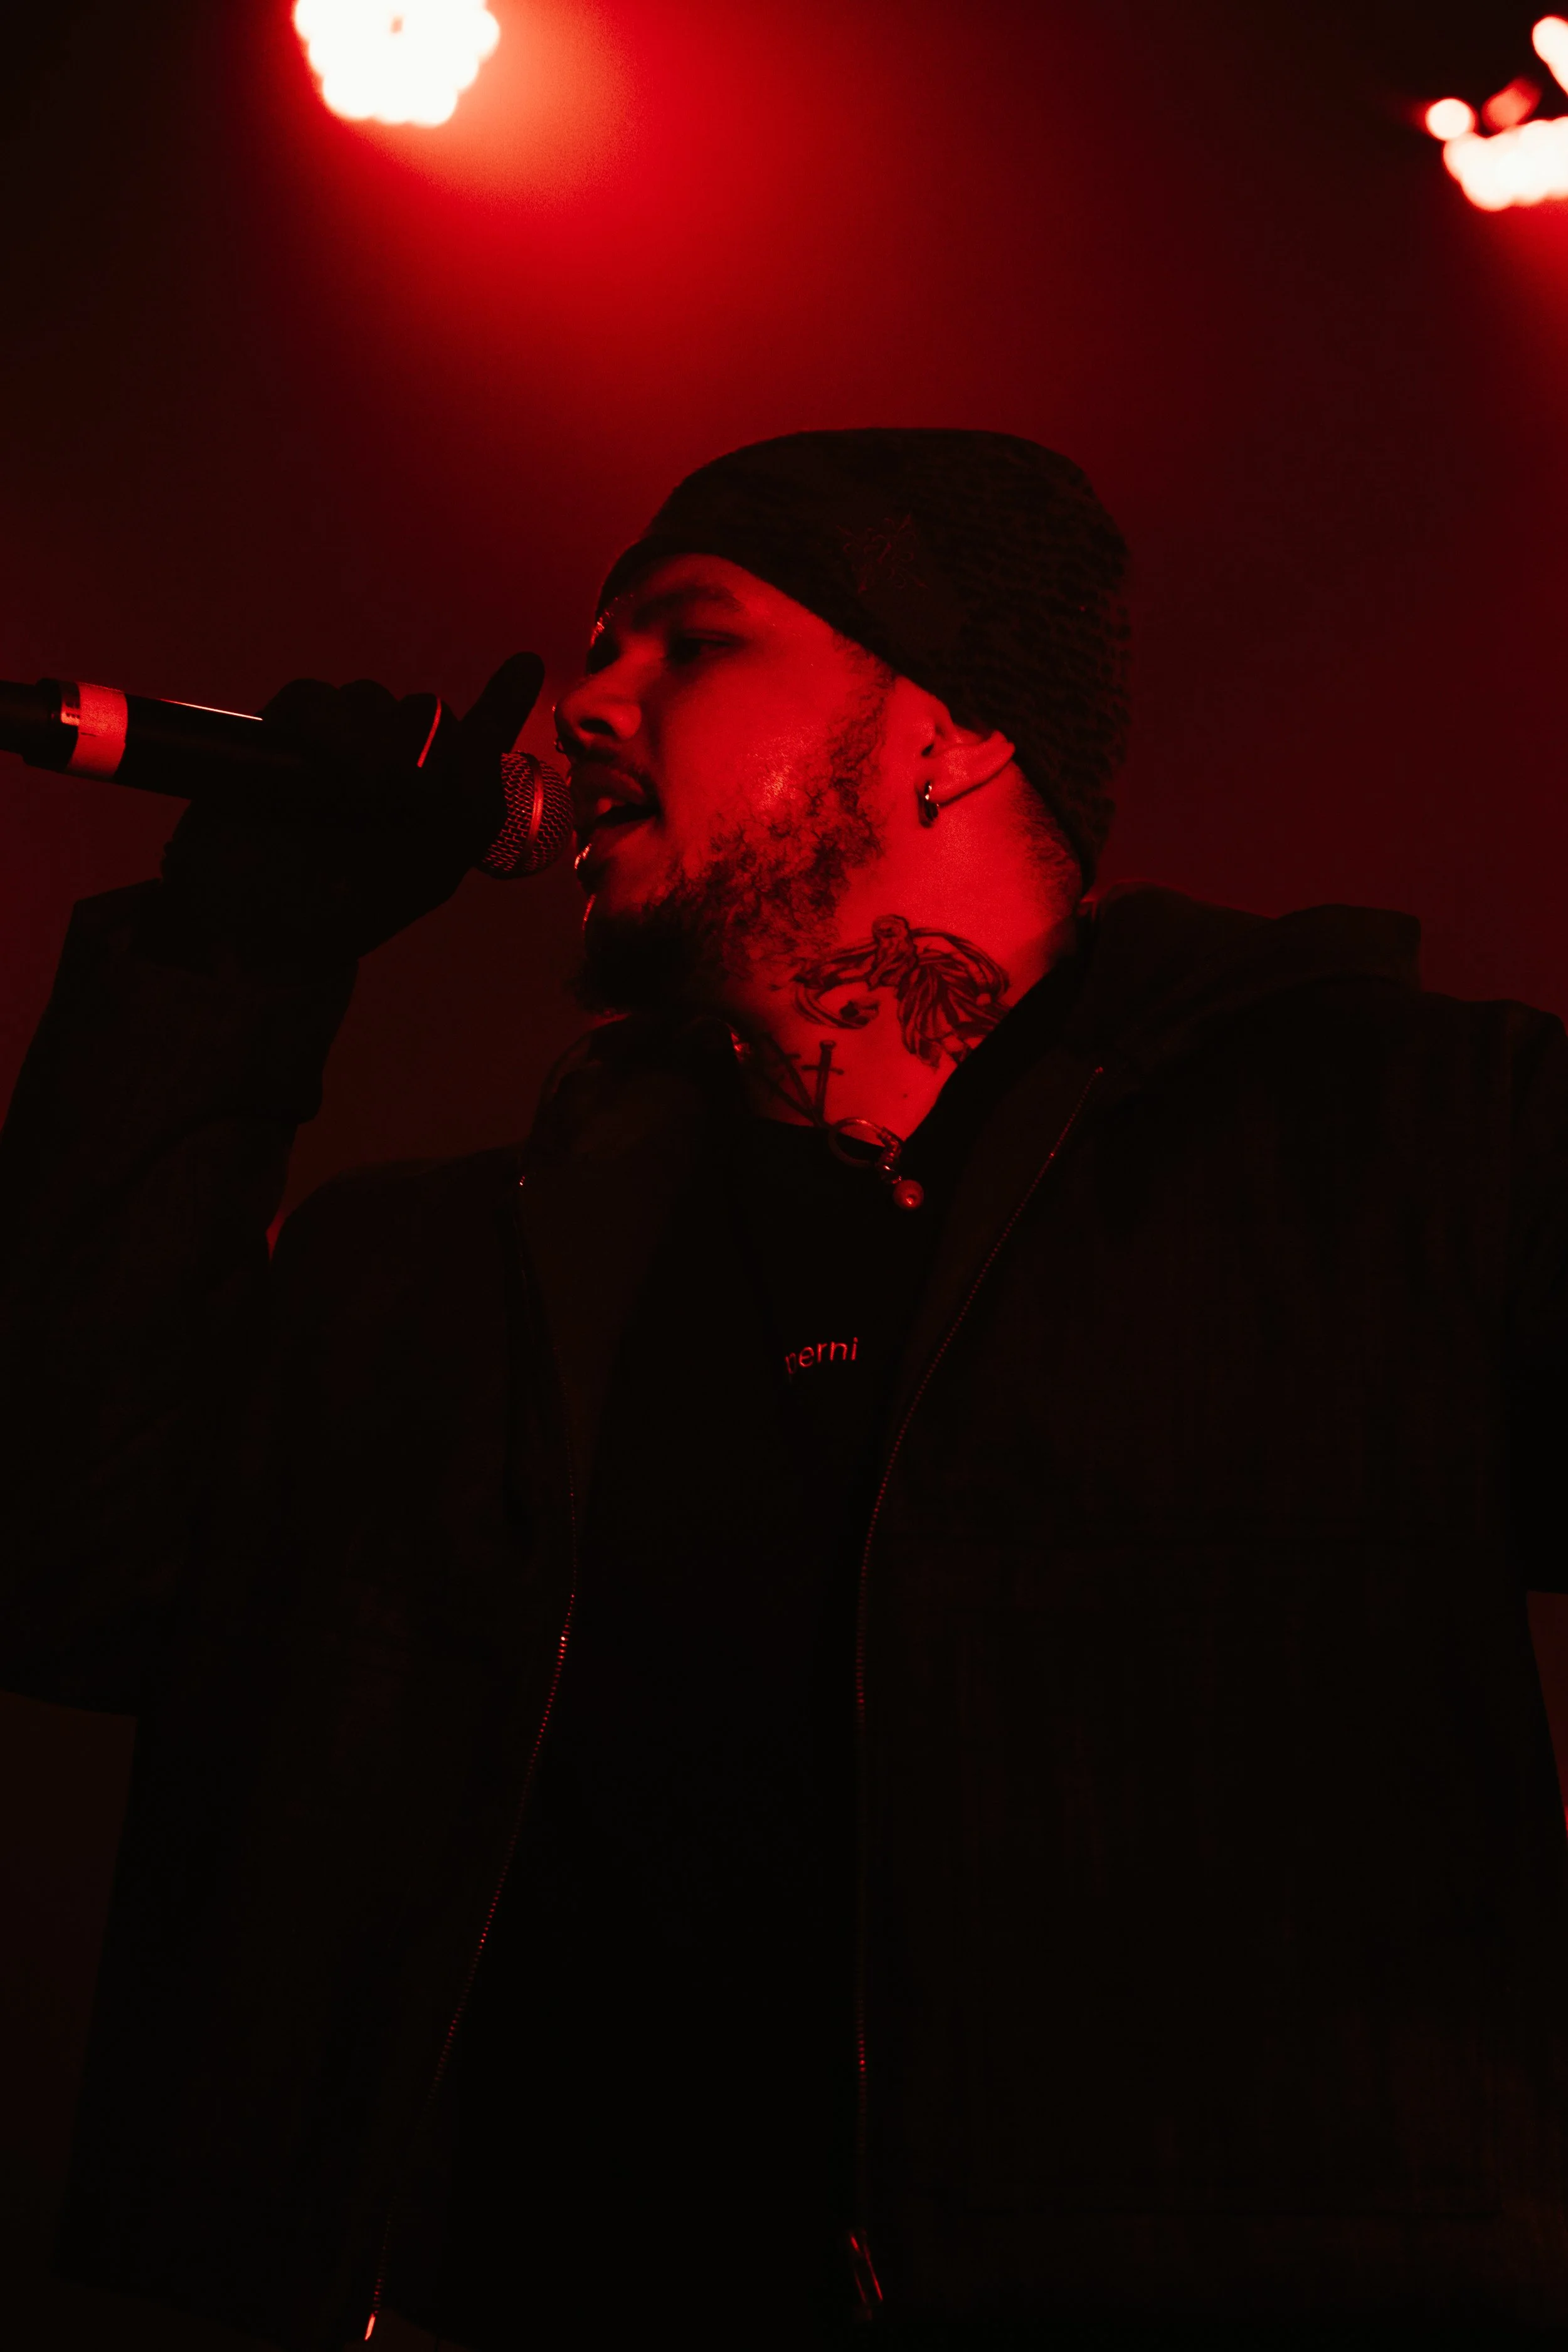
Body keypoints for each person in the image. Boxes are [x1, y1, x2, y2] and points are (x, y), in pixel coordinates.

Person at [3, 426, 1568, 2352]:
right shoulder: (440, 1273)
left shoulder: (1406, 1146)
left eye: (689, 635)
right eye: (594, 647)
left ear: (948, 729)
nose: (585, 703)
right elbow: (62, 1566)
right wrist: (225, 959)